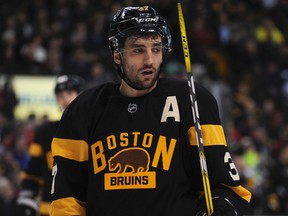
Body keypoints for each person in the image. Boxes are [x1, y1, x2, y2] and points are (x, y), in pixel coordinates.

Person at [50, 6, 252, 216]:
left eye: (156, 48)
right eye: (138, 50)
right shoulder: (83, 109)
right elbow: (67, 197)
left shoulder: (191, 100)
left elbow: (228, 188)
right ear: (117, 55)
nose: (149, 60)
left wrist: (222, 207)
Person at [10, 75, 84, 216]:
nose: (65, 99)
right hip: (50, 210)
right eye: (60, 96)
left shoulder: (92, 128)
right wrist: (27, 196)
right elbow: (34, 170)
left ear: (79, 95)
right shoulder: (45, 132)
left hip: (83, 209)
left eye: (69, 93)